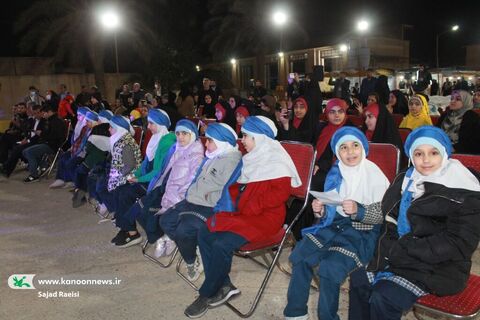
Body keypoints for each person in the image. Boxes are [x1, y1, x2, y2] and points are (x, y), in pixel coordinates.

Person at [348, 126, 480, 320]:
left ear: (444, 153)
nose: (426, 159)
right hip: (400, 255)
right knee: (359, 279)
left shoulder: (463, 189)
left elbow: (459, 243)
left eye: (433, 153)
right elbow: (389, 218)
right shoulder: (407, 179)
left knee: (383, 296)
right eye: (419, 153)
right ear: (411, 156)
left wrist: (405, 248)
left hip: (440, 267)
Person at [183, 116, 301, 318]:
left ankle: (206, 293)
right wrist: (236, 199)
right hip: (246, 212)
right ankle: (225, 285)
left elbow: (280, 194)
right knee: (206, 230)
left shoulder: (277, 161)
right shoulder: (252, 157)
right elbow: (241, 186)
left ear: (259, 138)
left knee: (221, 244)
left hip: (266, 217)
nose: (242, 140)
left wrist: (250, 204)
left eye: (245, 136)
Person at [284, 126, 390, 320]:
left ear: (364, 148)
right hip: (334, 226)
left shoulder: (374, 174)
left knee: (329, 269)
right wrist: (321, 209)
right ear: (337, 153)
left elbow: (384, 214)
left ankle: (328, 317)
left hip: (362, 232)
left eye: (355, 145)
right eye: (344, 148)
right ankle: (296, 312)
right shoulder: (335, 173)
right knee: (300, 256)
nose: (350, 152)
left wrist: (360, 210)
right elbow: (332, 209)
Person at [159, 123, 242, 281]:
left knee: (184, 230)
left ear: (222, 142)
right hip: (193, 199)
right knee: (165, 220)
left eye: (210, 140)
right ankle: (195, 248)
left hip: (210, 205)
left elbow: (227, 192)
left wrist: (200, 197)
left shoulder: (232, 161)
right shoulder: (213, 156)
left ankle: (191, 261)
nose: (206, 143)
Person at [111, 119, 203, 248]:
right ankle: (133, 230)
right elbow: (162, 173)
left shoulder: (193, 155)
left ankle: (161, 235)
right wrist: (141, 179)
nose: (180, 137)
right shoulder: (176, 149)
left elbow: (190, 183)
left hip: (176, 195)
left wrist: (171, 199)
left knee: (141, 207)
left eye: (184, 133)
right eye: (178, 134)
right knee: (135, 204)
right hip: (162, 187)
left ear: (192, 134)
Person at [22, 105, 66, 183]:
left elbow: (56, 137)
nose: (43, 115)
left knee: (29, 152)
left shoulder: (56, 122)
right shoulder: (50, 121)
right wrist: (42, 134)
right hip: (47, 143)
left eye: (44, 113)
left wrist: (42, 134)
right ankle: (42, 166)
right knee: (25, 151)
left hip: (52, 146)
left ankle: (34, 175)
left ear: (49, 112)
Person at [437, 90, 480, 154]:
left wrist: (454, 148)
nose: (452, 101)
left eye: (457, 99)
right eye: (452, 98)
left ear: (465, 101)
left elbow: (474, 142)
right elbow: (436, 132)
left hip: (462, 154)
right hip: (440, 150)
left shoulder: (472, 118)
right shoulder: (445, 115)